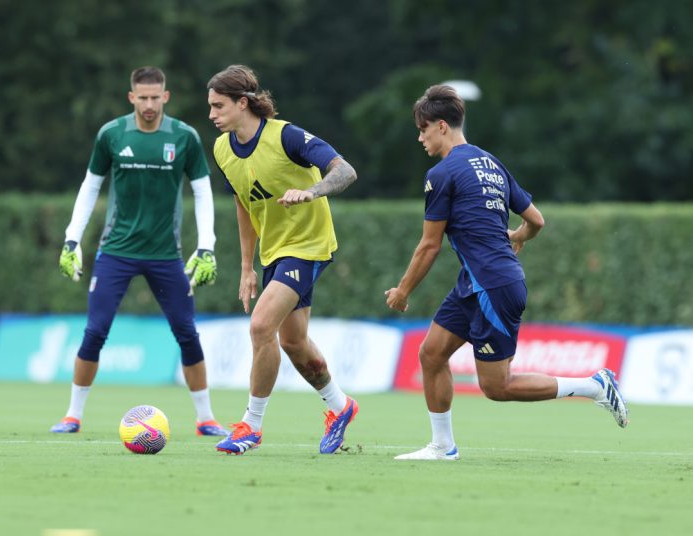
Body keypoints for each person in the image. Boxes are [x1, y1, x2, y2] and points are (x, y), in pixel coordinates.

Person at [385, 84, 628, 461]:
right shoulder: (491, 163)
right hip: (477, 282)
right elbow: (537, 220)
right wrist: (519, 236)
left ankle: (594, 386)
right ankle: (442, 446)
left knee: (497, 387)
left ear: (443, 127)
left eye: (424, 129)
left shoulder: (442, 173)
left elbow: (429, 245)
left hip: (493, 286)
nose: (420, 137)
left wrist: (403, 290)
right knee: (431, 354)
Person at [51, 66, 227, 437]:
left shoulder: (185, 137)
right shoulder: (111, 135)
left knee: (186, 332)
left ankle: (206, 418)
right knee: (95, 331)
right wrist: (72, 239)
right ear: (131, 97)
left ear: (166, 96)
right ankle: (72, 415)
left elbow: (202, 192)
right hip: (116, 251)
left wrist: (207, 245)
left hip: (166, 254)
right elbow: (89, 187)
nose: (149, 104)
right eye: (141, 98)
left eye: (155, 97)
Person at [206, 64, 359, 455]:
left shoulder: (286, 135)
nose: (212, 115)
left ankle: (250, 427)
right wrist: (246, 267)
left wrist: (313, 191)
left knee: (261, 326)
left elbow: (345, 172)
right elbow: (245, 203)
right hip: (274, 251)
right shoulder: (223, 149)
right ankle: (341, 407)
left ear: (243, 103)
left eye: (219, 106)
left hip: (309, 245)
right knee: (293, 342)